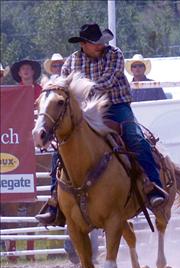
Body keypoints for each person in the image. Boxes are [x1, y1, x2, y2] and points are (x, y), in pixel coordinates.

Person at [35, 23, 168, 225]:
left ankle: (153, 188)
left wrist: (79, 90)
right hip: (84, 110)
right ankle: (55, 201)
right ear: (83, 44)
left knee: (135, 138)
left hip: (116, 106)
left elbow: (108, 81)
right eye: (95, 43)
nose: (100, 46)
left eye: (101, 42)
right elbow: (63, 88)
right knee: (60, 149)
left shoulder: (114, 54)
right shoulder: (71, 62)